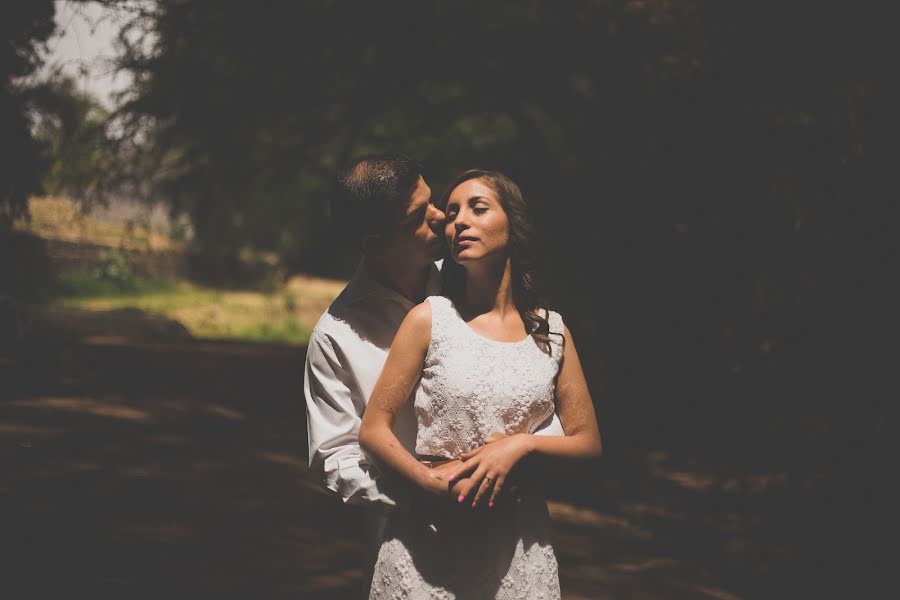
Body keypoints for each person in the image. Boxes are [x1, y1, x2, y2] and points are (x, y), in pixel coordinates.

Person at [304, 156, 564, 589]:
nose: (443, 217)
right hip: (413, 545)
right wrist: (421, 492)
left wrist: (523, 453)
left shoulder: (473, 279)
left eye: (433, 201)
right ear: (375, 244)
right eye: (418, 218)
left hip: (510, 536)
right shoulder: (335, 337)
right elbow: (336, 458)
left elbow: (534, 385)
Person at [359, 169, 603, 599]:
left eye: (477, 208)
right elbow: (373, 429)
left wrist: (520, 445)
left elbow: (587, 443)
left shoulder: (553, 332)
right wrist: (425, 483)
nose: (458, 222)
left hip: (518, 544)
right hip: (428, 542)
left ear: (512, 224)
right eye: (451, 213)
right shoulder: (430, 319)